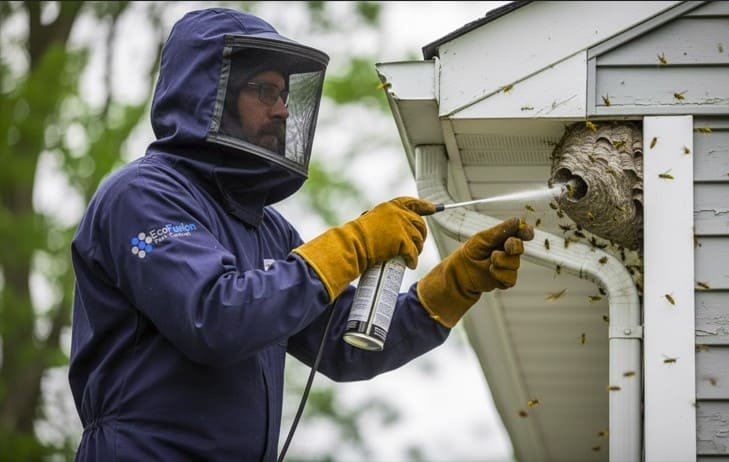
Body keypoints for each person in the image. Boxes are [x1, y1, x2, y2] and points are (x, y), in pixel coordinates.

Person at [68, 7, 534, 461]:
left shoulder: (267, 228)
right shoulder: (143, 194)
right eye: (265, 92)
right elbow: (214, 317)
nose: (284, 112)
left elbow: (346, 345)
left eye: (285, 96)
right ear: (211, 94)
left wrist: (454, 288)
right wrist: (355, 243)